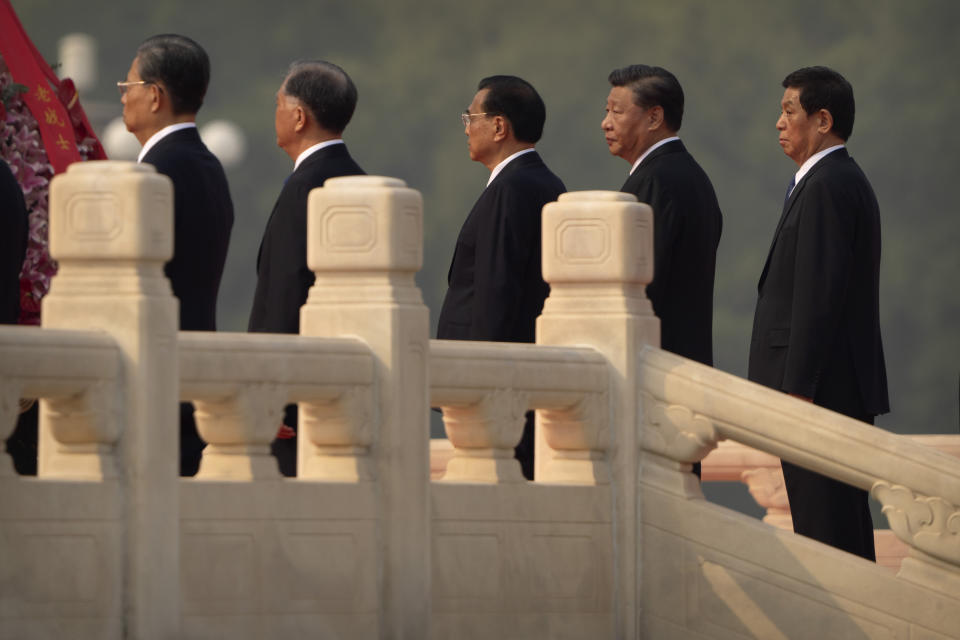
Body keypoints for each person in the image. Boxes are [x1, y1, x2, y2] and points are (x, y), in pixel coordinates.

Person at [748, 66, 888, 561]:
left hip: (822, 393)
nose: (780, 122)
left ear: (823, 120)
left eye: (790, 111)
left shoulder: (829, 184)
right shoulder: (827, 180)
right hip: (824, 389)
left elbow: (817, 295)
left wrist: (798, 391)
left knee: (831, 538)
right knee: (831, 531)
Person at [436, 75, 566, 480]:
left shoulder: (510, 189)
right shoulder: (544, 182)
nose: (466, 128)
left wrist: (480, 382)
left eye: (471, 117)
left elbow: (495, 291)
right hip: (524, 379)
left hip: (496, 386)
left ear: (499, 126)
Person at [121, 34, 234, 476]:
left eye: (127, 87)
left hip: (150, 378)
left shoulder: (156, 174)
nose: (125, 97)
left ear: (155, 96)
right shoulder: (209, 167)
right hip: (190, 375)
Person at [602, 64, 723, 478]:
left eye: (618, 111)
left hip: (656, 387)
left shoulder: (659, 183)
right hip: (680, 379)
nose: (606, 123)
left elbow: (641, 292)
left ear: (654, 117)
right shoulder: (690, 177)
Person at [248, 60, 365, 477]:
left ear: (298, 116)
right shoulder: (360, 181)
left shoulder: (303, 188)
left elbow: (285, 291)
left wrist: (272, 389)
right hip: (349, 386)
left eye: (278, 103)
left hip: (296, 400)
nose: (274, 113)